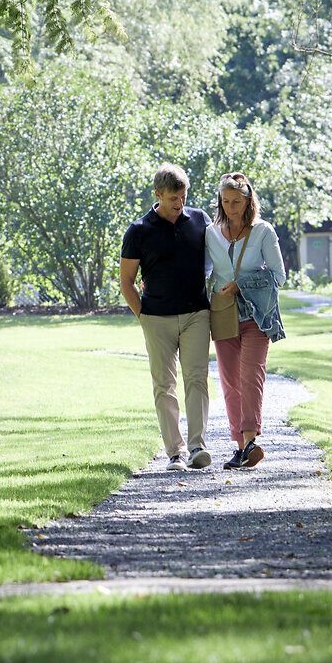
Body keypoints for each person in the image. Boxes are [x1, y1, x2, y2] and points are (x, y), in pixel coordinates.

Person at [119, 163, 214, 469]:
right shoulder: (138, 231)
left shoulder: (200, 220)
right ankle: (176, 452)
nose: (179, 203)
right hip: (156, 317)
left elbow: (217, 258)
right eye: (173, 197)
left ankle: (198, 446)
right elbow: (126, 282)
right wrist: (143, 315)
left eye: (183, 196)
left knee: (197, 378)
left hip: (196, 314)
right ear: (158, 194)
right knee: (164, 384)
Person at [206, 172, 286, 469]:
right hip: (223, 313)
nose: (230, 207)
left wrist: (242, 284)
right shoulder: (211, 233)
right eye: (225, 202)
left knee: (250, 375)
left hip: (256, 314)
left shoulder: (263, 231)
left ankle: (251, 440)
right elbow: (203, 271)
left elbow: (279, 276)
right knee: (229, 380)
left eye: (236, 202)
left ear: (248, 200)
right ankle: (241, 448)